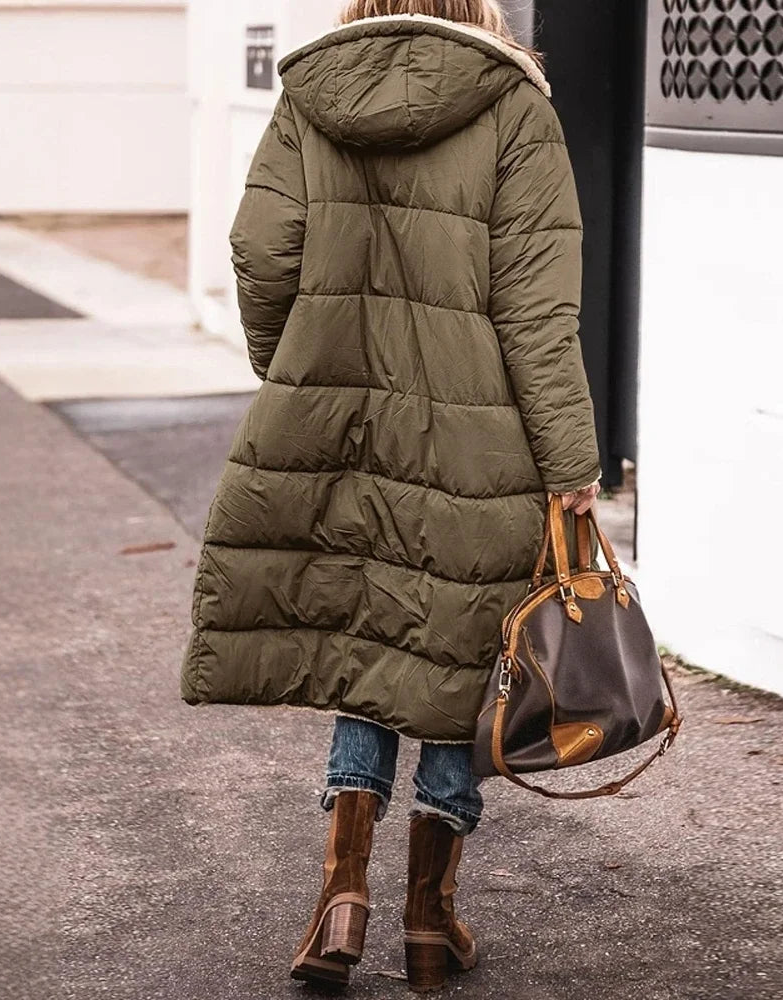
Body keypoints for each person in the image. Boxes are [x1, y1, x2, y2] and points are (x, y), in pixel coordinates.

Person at [181, 0, 601, 991]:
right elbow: (536, 311)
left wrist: (294, 367)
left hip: (341, 422)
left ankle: (342, 895)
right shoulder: (512, 104)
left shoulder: (311, 94)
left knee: (365, 644)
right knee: (457, 654)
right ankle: (427, 914)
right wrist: (571, 463)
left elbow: (260, 251)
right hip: (476, 435)